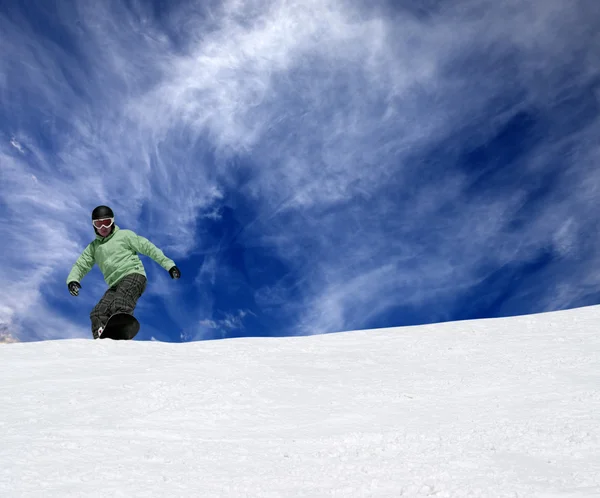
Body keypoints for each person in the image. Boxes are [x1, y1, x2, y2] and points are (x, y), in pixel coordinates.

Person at [67, 205, 181, 339]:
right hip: (114, 285)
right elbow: (81, 265)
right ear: (94, 226)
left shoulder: (125, 235)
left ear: (113, 222)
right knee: (97, 313)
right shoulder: (93, 248)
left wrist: (169, 265)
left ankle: (121, 327)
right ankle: (101, 339)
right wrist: (73, 280)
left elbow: (148, 248)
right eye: (99, 224)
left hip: (133, 275)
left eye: (106, 222)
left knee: (120, 301)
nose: (103, 227)